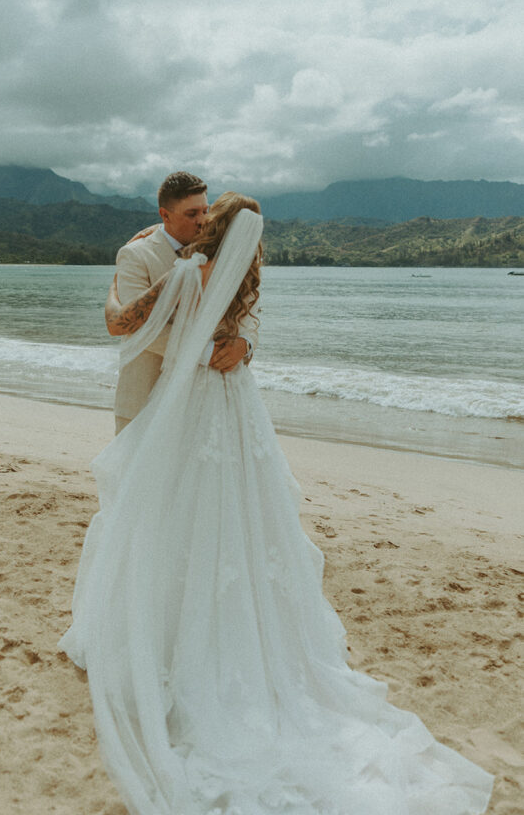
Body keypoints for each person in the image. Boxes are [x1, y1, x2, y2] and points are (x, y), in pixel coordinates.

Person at [58, 193, 493, 815]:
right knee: (239, 514)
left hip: (194, 402)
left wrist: (174, 323)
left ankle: (165, 633)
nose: (200, 221)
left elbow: (141, 327)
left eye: (208, 216)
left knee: (172, 516)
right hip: (236, 405)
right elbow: (219, 334)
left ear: (214, 227)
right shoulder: (229, 272)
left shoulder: (190, 267)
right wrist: (234, 348)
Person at [111, 171, 257, 434]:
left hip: (202, 403)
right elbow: (138, 327)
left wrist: (245, 344)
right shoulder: (135, 254)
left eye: (205, 210)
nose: (202, 221)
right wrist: (206, 352)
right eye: (192, 214)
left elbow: (249, 310)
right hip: (144, 396)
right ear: (165, 215)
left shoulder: (220, 250)